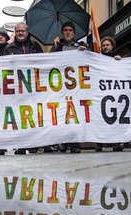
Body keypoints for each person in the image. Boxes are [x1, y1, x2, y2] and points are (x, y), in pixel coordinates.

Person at [4, 22, 43, 155]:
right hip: (17, 89)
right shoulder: (9, 48)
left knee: (33, 115)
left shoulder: (35, 46)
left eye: (23, 31)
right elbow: (2, 67)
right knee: (20, 116)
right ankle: (21, 145)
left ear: (27, 32)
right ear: (15, 32)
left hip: (33, 87)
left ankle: (33, 144)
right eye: (18, 31)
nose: (21, 33)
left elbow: (45, 62)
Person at [50, 21, 87, 154]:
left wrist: (85, 51)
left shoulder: (81, 46)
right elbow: (49, 62)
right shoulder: (57, 46)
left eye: (70, 30)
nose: (68, 32)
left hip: (77, 86)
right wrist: (55, 47)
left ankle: (75, 142)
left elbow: (89, 61)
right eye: (65, 30)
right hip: (61, 86)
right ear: (62, 32)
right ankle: (64, 142)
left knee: (75, 114)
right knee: (63, 114)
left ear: (74, 33)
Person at [96, 36, 123, 152]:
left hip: (114, 92)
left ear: (112, 46)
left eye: (107, 45)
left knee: (114, 117)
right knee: (99, 118)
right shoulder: (97, 58)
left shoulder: (117, 58)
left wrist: (119, 61)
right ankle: (99, 144)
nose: (105, 47)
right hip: (100, 92)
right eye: (103, 45)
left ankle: (116, 143)